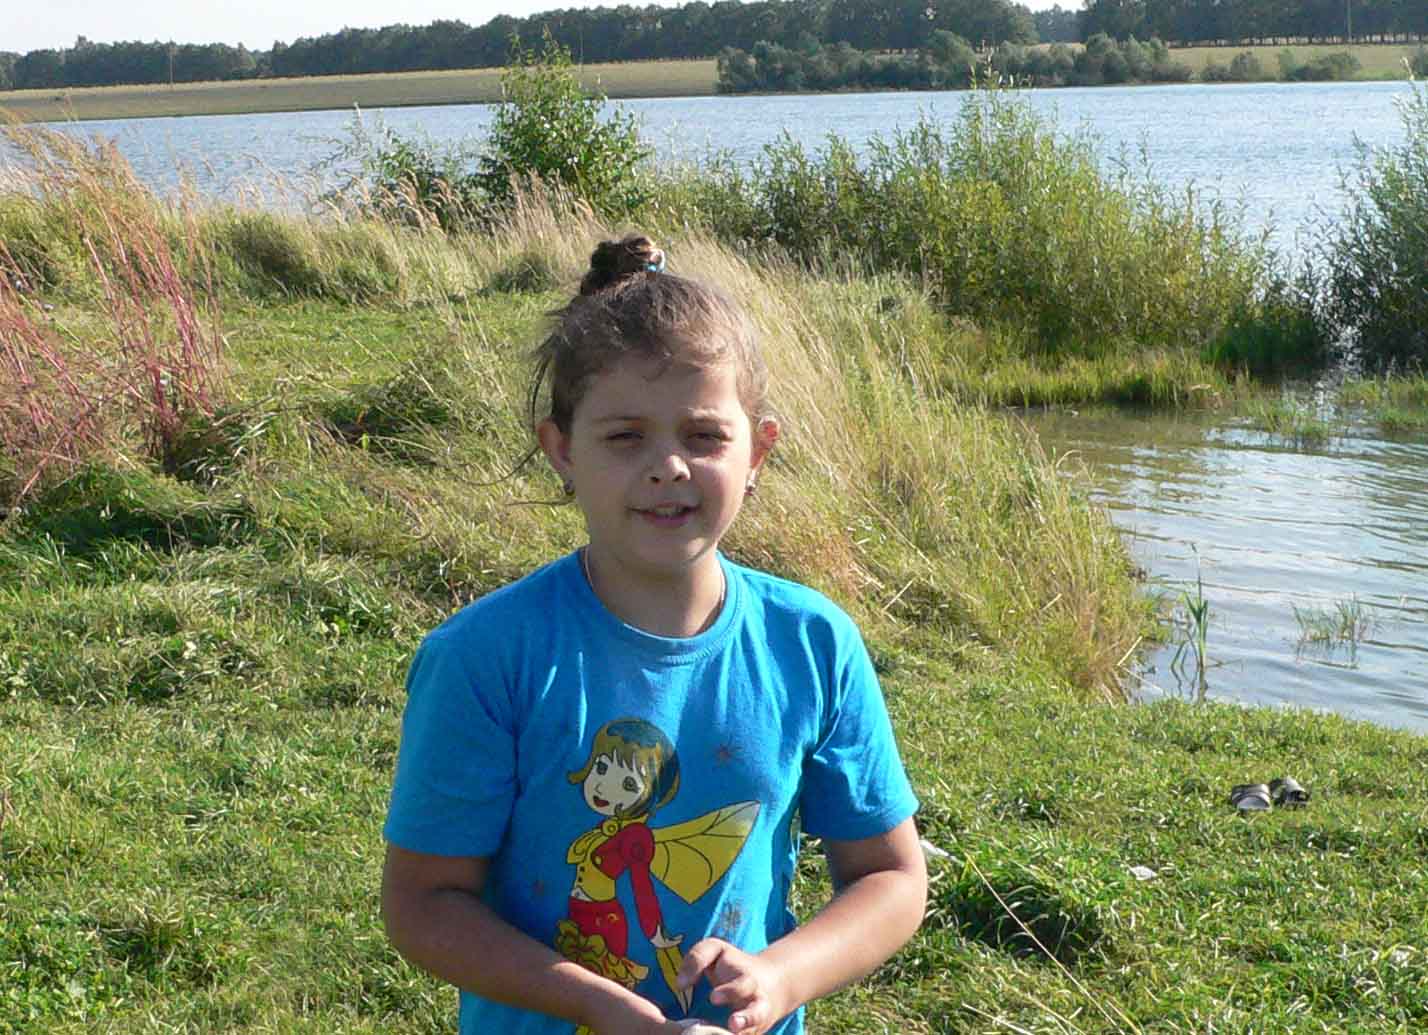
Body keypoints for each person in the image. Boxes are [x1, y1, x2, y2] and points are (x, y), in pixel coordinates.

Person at [381, 233, 927, 1035]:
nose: (668, 465)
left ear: (758, 451)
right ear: (562, 449)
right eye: (625, 436)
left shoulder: (814, 644)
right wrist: (598, 1004)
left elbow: (891, 876)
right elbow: (423, 901)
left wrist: (779, 976)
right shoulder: (484, 658)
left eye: (703, 435)